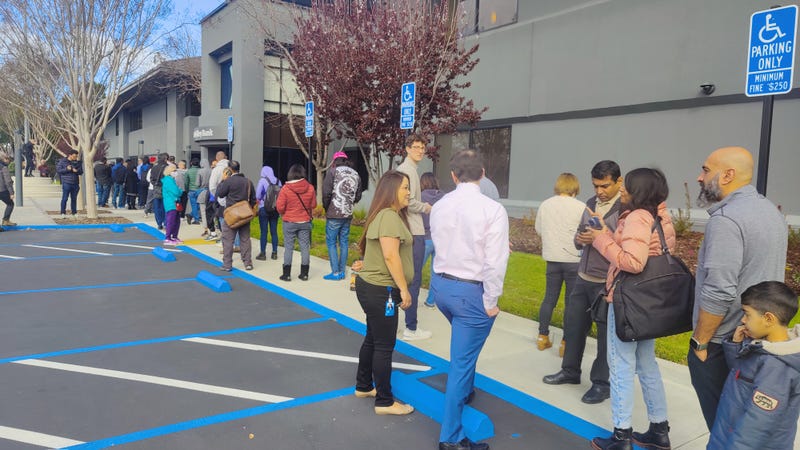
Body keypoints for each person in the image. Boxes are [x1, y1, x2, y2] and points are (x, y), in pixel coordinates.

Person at [689, 146, 788, 431]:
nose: (699, 177)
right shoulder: (769, 211)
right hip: (757, 339)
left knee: (724, 430)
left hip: (723, 345)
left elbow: (719, 290)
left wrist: (700, 343)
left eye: (706, 170)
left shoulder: (726, 219)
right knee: (746, 428)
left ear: (727, 175)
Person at [587, 168, 675, 450]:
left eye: (627, 187)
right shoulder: (661, 215)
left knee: (621, 366)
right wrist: (609, 232)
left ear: (639, 191)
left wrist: (601, 239)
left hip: (628, 300)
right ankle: (659, 429)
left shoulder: (637, 216)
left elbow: (633, 262)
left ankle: (621, 435)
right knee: (647, 364)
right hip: (650, 301)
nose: (622, 190)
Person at [430, 150, 510, 450]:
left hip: (441, 286)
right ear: (483, 173)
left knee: (463, 357)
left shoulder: (440, 205)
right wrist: (491, 300)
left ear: (453, 175)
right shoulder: (492, 209)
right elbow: (495, 262)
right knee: (461, 365)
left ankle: (465, 392)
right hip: (470, 293)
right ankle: (450, 439)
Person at [543, 160, 622, 405]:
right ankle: (570, 371)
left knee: (604, 337)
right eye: (596, 186)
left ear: (619, 182)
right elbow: (579, 236)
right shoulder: (589, 204)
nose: (599, 191)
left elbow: (625, 246)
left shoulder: (626, 208)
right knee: (574, 326)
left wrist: (599, 238)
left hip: (606, 281)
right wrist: (580, 238)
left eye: (605, 186)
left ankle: (601, 383)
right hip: (583, 275)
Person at [708, 281, 800, 450]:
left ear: (768, 319)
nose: (742, 320)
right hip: (728, 434)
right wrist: (735, 346)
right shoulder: (764, 347)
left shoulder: (778, 367)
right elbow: (742, 377)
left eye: (747, 314)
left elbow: (756, 425)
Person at [353, 170, 415, 416]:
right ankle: (385, 401)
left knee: (373, 338)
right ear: (392, 192)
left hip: (372, 287)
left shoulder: (384, 215)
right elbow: (390, 255)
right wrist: (404, 289)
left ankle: (364, 386)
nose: (409, 192)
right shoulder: (389, 216)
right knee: (384, 345)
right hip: (383, 291)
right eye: (405, 188)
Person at [534, 173, 585, 354]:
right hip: (573, 259)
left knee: (549, 299)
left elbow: (539, 229)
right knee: (570, 303)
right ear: (575, 187)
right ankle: (565, 343)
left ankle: (542, 336)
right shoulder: (581, 207)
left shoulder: (546, 205)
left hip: (552, 258)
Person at [396, 133, 433, 341]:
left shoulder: (409, 170)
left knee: (402, 276)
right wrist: (426, 207)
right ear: (407, 148)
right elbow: (407, 201)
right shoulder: (407, 171)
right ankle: (411, 328)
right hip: (413, 230)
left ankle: (399, 324)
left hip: (409, 229)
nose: (420, 150)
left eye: (422, 147)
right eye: (417, 147)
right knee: (413, 278)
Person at [322, 151, 362, 280]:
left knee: (331, 242)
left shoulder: (333, 172)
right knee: (344, 242)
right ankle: (342, 271)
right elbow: (358, 196)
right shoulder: (356, 174)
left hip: (334, 213)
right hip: (348, 213)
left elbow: (326, 193)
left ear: (334, 161)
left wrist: (326, 207)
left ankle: (335, 273)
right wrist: (349, 203)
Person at [276, 164, 316, 281]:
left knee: (289, 247)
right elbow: (313, 205)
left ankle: (286, 274)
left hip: (289, 222)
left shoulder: (285, 189)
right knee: (305, 247)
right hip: (305, 221)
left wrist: (285, 213)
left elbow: (280, 207)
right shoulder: (310, 188)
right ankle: (304, 274)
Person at [215, 160, 256, 272]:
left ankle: (227, 264)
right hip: (244, 215)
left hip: (231, 215)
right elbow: (253, 199)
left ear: (230, 169)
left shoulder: (228, 181)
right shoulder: (248, 182)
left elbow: (220, 194)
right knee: (245, 239)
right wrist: (248, 208)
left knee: (228, 240)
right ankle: (247, 263)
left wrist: (222, 180)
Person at [420, 172, 445, 308]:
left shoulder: (420, 197)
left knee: (416, 270)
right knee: (436, 272)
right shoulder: (445, 197)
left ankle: (410, 297)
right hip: (440, 239)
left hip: (425, 237)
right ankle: (431, 301)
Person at [255, 164, 282, 261]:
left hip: (264, 208)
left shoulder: (262, 180)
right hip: (275, 209)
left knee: (264, 232)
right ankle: (274, 253)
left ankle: (263, 253)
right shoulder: (279, 181)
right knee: (274, 231)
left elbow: (257, 195)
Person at [161, 164, 183, 245]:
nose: (175, 172)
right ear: (170, 172)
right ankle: (168, 237)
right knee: (171, 221)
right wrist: (180, 191)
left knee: (176, 221)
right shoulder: (168, 180)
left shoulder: (171, 180)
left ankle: (174, 236)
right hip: (171, 203)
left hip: (174, 203)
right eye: (174, 170)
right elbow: (176, 191)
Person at [57, 149, 83, 218]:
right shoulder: (62, 161)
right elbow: (59, 170)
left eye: (76, 156)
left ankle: (74, 212)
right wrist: (67, 169)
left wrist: (76, 171)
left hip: (75, 183)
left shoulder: (78, 162)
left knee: (74, 199)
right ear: (70, 155)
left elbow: (81, 172)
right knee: (65, 198)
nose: (75, 158)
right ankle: (63, 212)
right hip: (66, 182)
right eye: (74, 156)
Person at [148, 153, 169, 230]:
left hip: (156, 188)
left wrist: (155, 184)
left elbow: (151, 179)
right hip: (165, 188)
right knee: (165, 206)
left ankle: (159, 223)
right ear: (165, 159)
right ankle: (165, 222)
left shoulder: (154, 168)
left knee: (157, 206)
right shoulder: (167, 167)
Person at [0, 154, 15, 229]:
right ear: (4, 159)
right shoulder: (3, 168)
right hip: (2, 190)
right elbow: (8, 181)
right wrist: (11, 193)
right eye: (7, 159)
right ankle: (5, 220)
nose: (9, 161)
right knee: (10, 204)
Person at [186, 158, 202, 225]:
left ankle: (196, 219)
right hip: (200, 189)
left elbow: (186, 182)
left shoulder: (188, 171)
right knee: (200, 204)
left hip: (191, 190)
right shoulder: (201, 171)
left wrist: (187, 190)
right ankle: (193, 216)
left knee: (194, 205)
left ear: (191, 163)